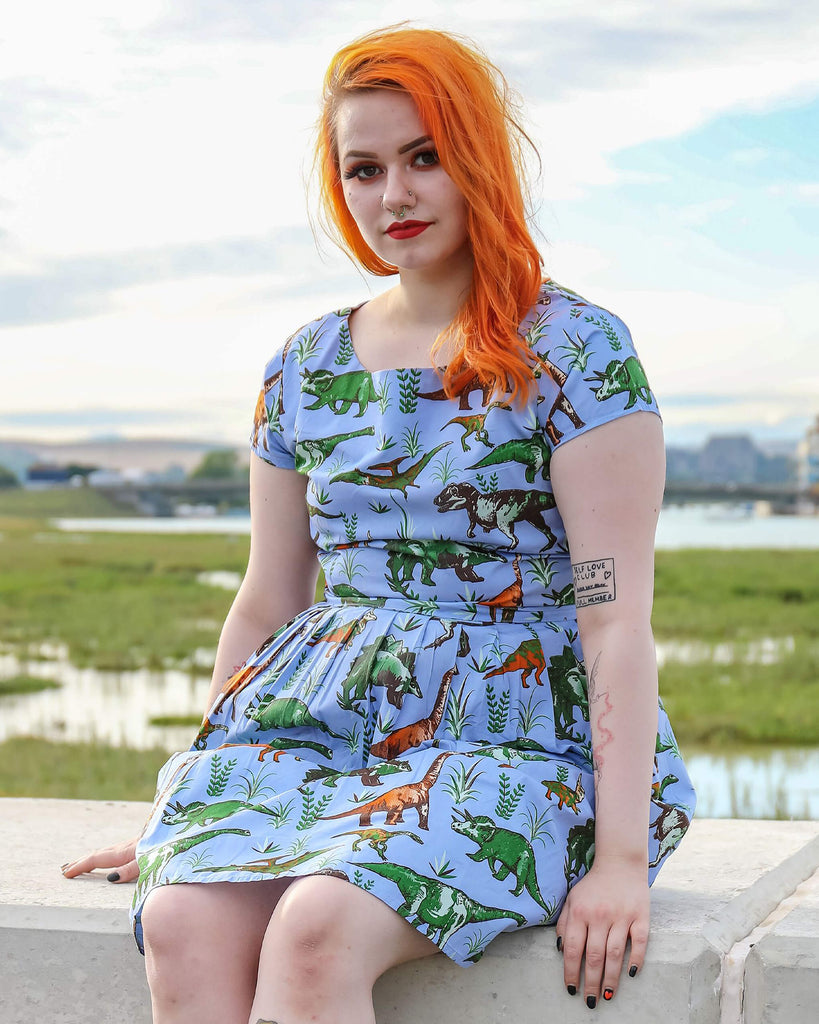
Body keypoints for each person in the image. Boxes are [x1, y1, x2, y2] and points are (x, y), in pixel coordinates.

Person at [62, 24, 695, 1023]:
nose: (393, 195)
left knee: (318, 928)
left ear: (476, 159)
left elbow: (614, 617)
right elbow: (269, 599)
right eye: (363, 169)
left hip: (517, 742)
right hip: (321, 731)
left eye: (424, 158)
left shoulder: (574, 348)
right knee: (182, 916)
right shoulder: (304, 364)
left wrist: (619, 860)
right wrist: (189, 807)